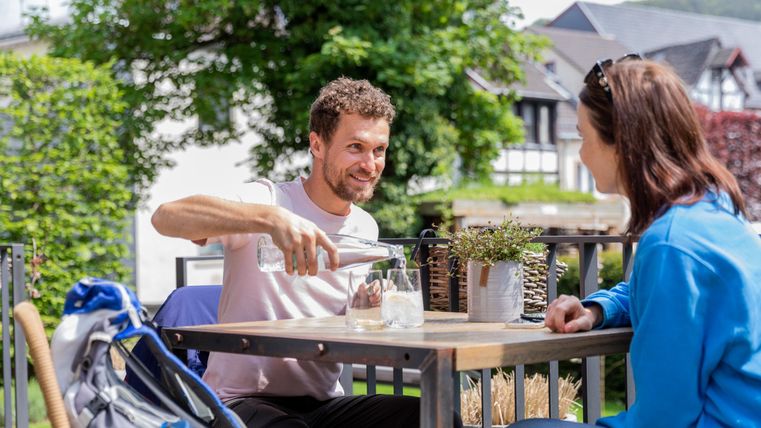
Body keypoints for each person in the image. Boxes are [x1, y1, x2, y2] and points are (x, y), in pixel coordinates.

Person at [152, 77, 462, 428]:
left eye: (379, 150)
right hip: (239, 401)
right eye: (355, 147)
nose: (370, 163)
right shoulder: (269, 201)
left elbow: (344, 319)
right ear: (317, 144)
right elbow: (166, 217)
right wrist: (270, 219)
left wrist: (368, 303)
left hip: (323, 404)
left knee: (434, 419)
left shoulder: (365, 228)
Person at [513, 57, 761, 427]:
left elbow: (666, 417)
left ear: (621, 142)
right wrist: (598, 310)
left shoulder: (672, 244)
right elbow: (664, 294)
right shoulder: (714, 213)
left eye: (583, 137)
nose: (581, 155)